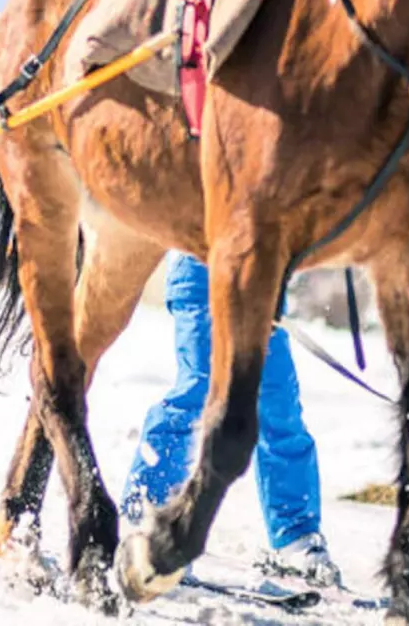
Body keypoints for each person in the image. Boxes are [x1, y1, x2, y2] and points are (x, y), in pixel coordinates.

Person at [122, 251, 342, 588]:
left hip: (259, 288)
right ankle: (150, 512)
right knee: (199, 391)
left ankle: (294, 534)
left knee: (278, 405)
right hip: (201, 274)